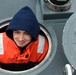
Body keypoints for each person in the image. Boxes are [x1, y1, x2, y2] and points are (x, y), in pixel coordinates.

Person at [0, 6, 48, 71]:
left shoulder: (43, 45)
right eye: (17, 32)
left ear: (33, 34)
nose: (21, 38)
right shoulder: (1, 42)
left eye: (27, 33)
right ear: (12, 32)